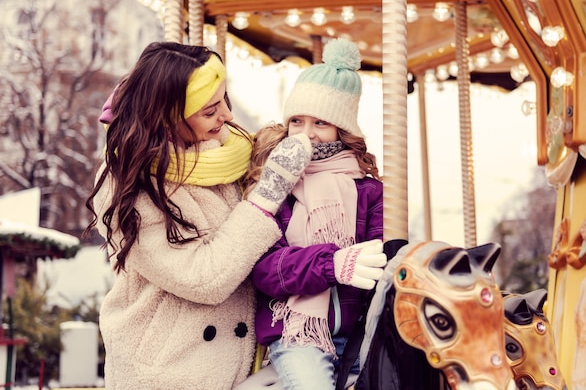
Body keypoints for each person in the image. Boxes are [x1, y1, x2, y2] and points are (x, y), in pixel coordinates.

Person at [84, 41, 313, 390]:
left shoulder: (228, 156)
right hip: (169, 372)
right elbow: (204, 278)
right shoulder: (129, 186)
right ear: (167, 118)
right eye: (209, 111)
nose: (228, 116)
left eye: (224, 100)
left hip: (238, 365)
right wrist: (266, 196)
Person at [244, 38, 386, 390]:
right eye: (297, 121)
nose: (306, 135)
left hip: (358, 334)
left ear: (341, 130)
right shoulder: (274, 184)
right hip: (297, 335)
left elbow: (385, 259)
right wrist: (333, 264)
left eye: (320, 123)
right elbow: (264, 269)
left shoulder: (369, 192)